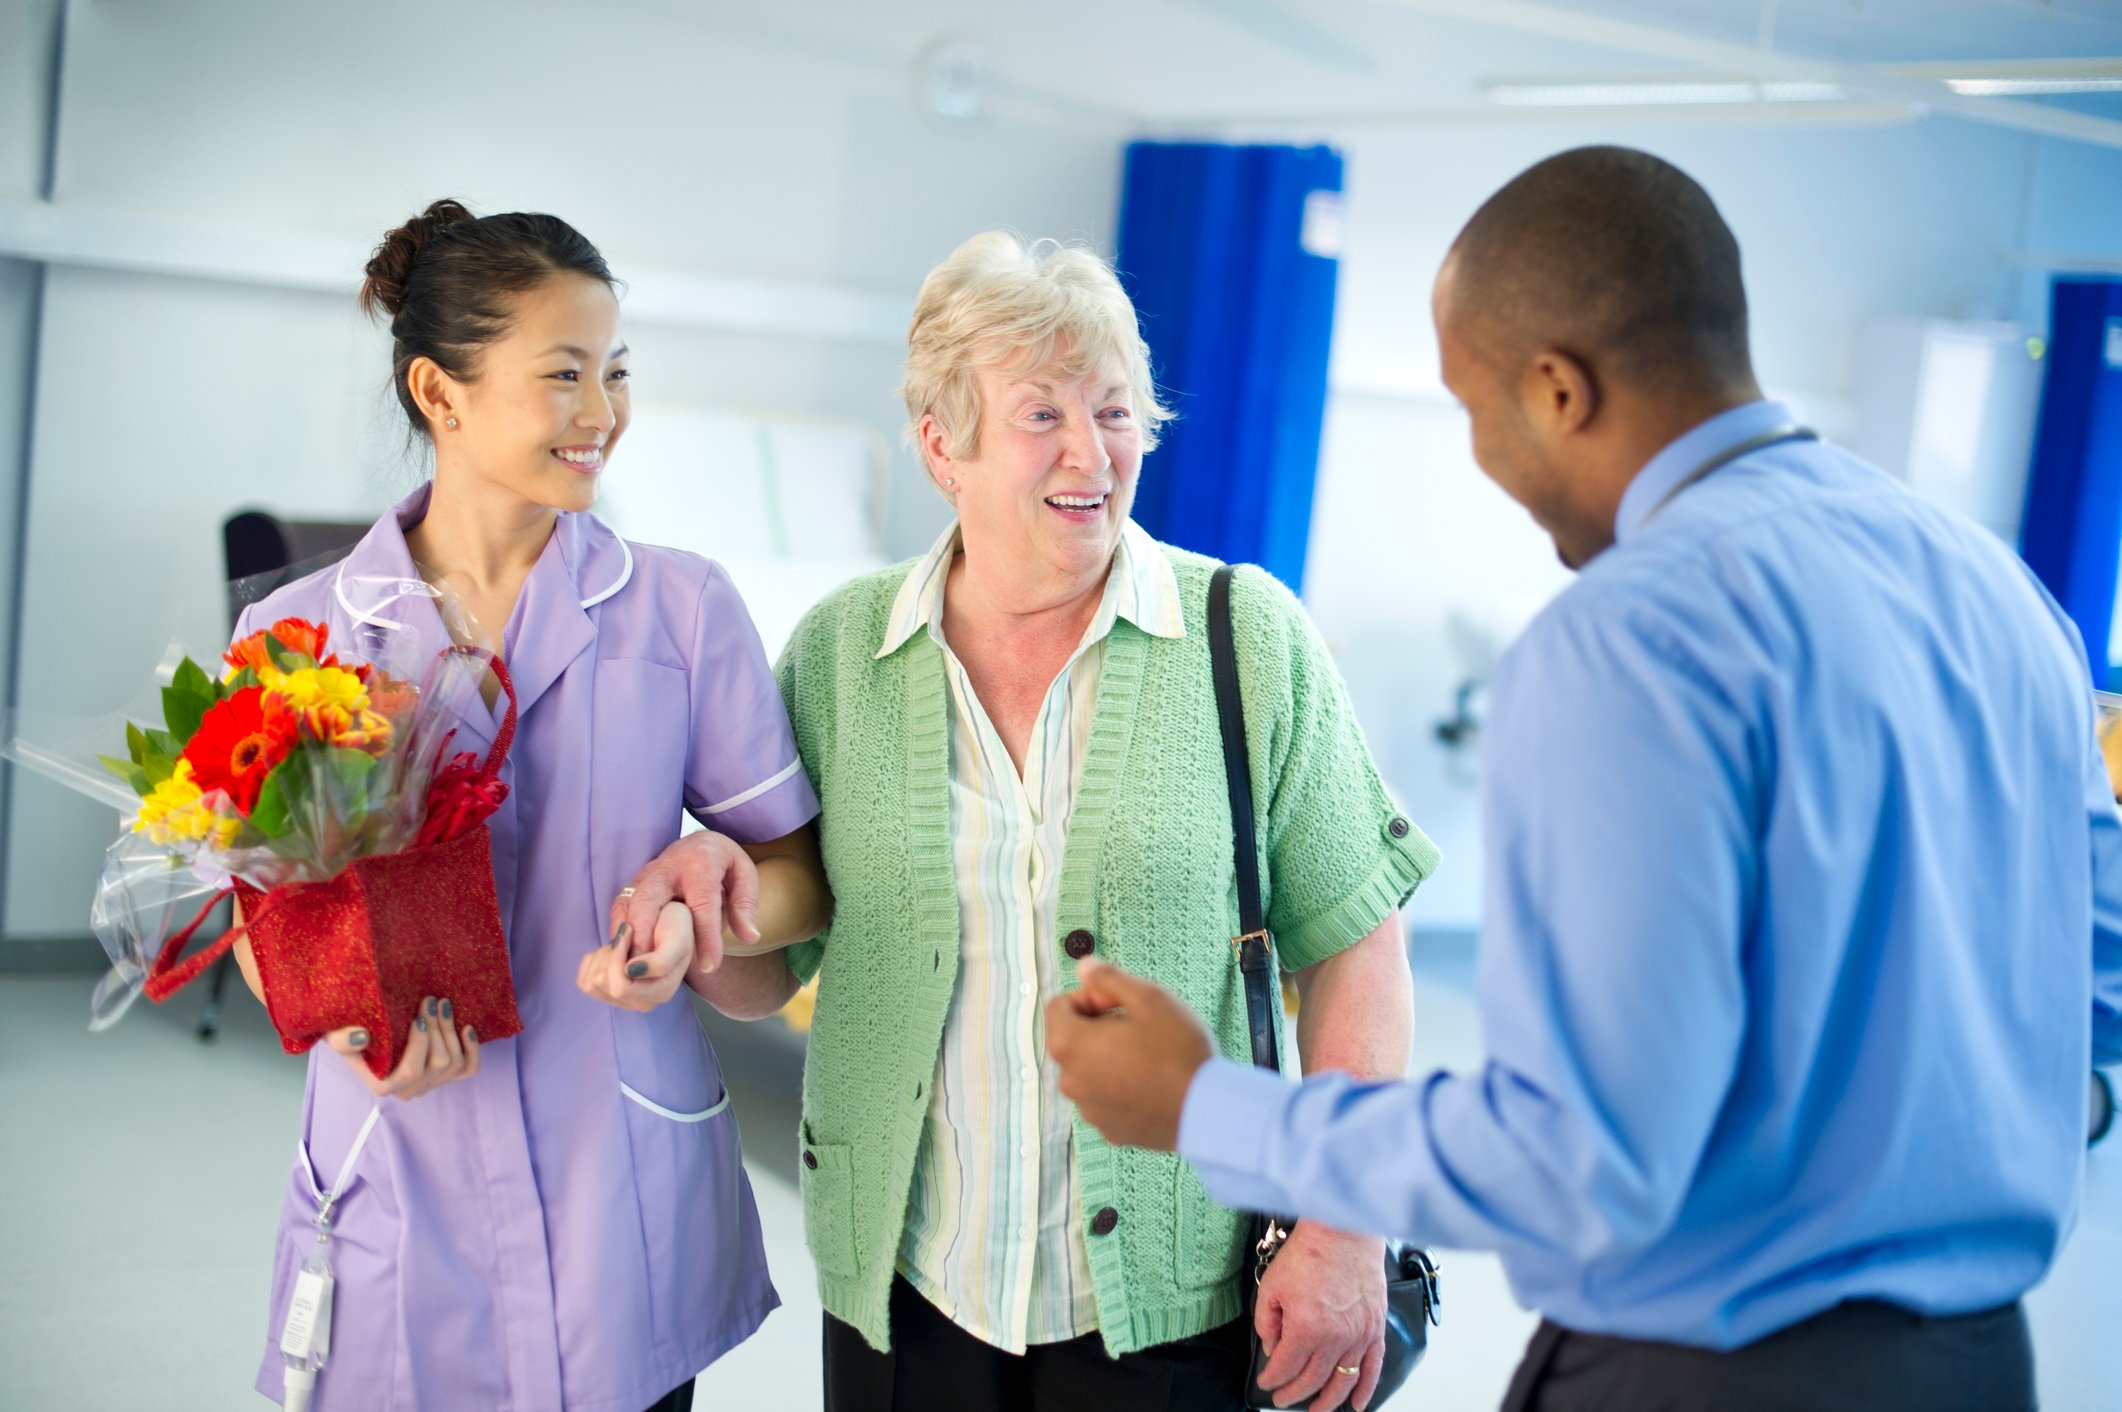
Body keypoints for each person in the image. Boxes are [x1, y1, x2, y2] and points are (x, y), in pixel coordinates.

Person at [1047, 146, 2122, 1412]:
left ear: (1557, 388)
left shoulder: (1629, 636)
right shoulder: (1997, 589)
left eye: (1473, 408)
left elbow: (1578, 1161)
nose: (1481, 456)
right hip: (1977, 1364)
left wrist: (1209, 1107)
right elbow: (2096, 987)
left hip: (1709, 1377)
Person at [618, 231, 1439, 1412]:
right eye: (1040, 413)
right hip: (911, 1287)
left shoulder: (1244, 638)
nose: (1089, 452)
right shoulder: (843, 653)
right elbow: (770, 974)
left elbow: (1358, 944)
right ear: (941, 445)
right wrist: (703, 920)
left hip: (1179, 1292)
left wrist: (1345, 1225)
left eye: (1113, 410)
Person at [225, 199, 831, 1411]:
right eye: (563, 374)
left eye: (614, 371)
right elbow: (259, 933)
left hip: (616, 1179)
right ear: (439, 395)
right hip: (396, 1162)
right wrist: (349, 1021)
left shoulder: (682, 611)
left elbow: (797, 878)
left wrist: (700, 920)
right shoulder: (290, 637)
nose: (601, 411)